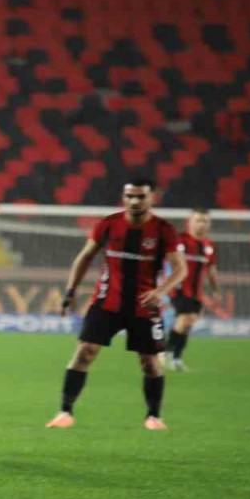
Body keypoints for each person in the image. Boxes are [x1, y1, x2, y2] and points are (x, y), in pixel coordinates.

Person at [48, 179, 186, 430]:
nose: (134, 201)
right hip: (106, 302)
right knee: (85, 352)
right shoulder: (109, 224)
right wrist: (70, 291)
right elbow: (85, 257)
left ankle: (154, 416)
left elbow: (181, 268)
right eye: (129, 196)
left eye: (140, 196)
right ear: (123, 197)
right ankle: (65, 412)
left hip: (144, 305)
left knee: (150, 362)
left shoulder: (163, 229)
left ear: (151, 197)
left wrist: (161, 291)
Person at [164, 208, 219, 372]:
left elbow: (211, 270)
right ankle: (166, 352)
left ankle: (177, 358)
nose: (201, 224)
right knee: (186, 319)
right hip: (179, 288)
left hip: (196, 292)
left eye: (205, 221)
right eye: (198, 220)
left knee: (188, 324)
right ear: (190, 222)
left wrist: (216, 290)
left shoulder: (209, 245)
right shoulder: (180, 241)